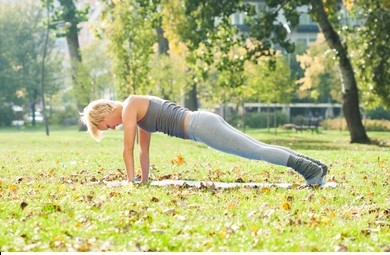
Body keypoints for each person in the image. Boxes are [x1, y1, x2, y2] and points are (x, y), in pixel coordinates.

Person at [80, 95, 328, 185]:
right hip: (202, 123)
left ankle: (309, 170)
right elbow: (142, 152)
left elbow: (127, 150)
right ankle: (314, 166)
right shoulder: (136, 113)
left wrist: (129, 181)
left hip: (201, 126)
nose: (112, 128)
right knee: (258, 147)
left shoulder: (131, 106)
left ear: (105, 113)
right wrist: (142, 181)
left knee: (255, 152)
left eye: (106, 125)